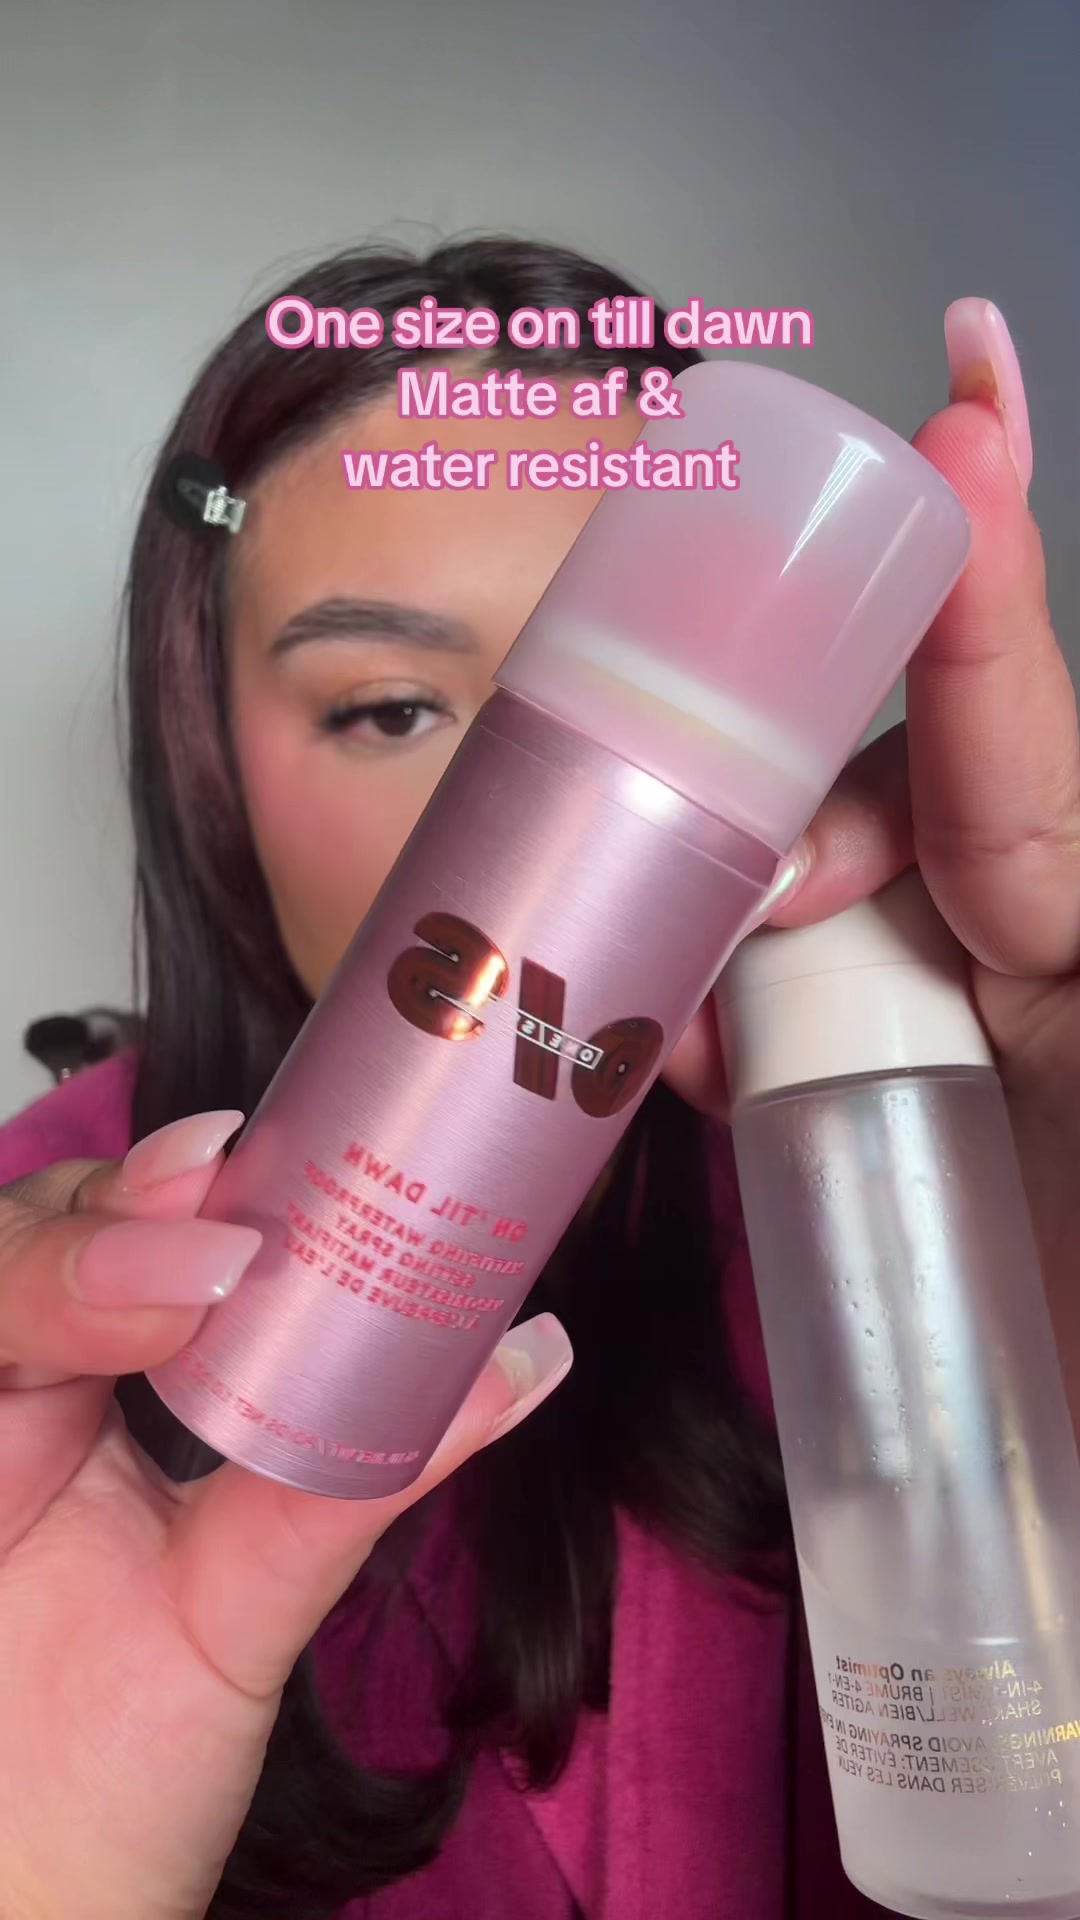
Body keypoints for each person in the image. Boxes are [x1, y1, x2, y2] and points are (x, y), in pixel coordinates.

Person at [0, 237, 1072, 1920]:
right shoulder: (49, 1311)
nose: (500, 841)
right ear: (210, 749)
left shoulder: (887, 1201)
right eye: (391, 707)